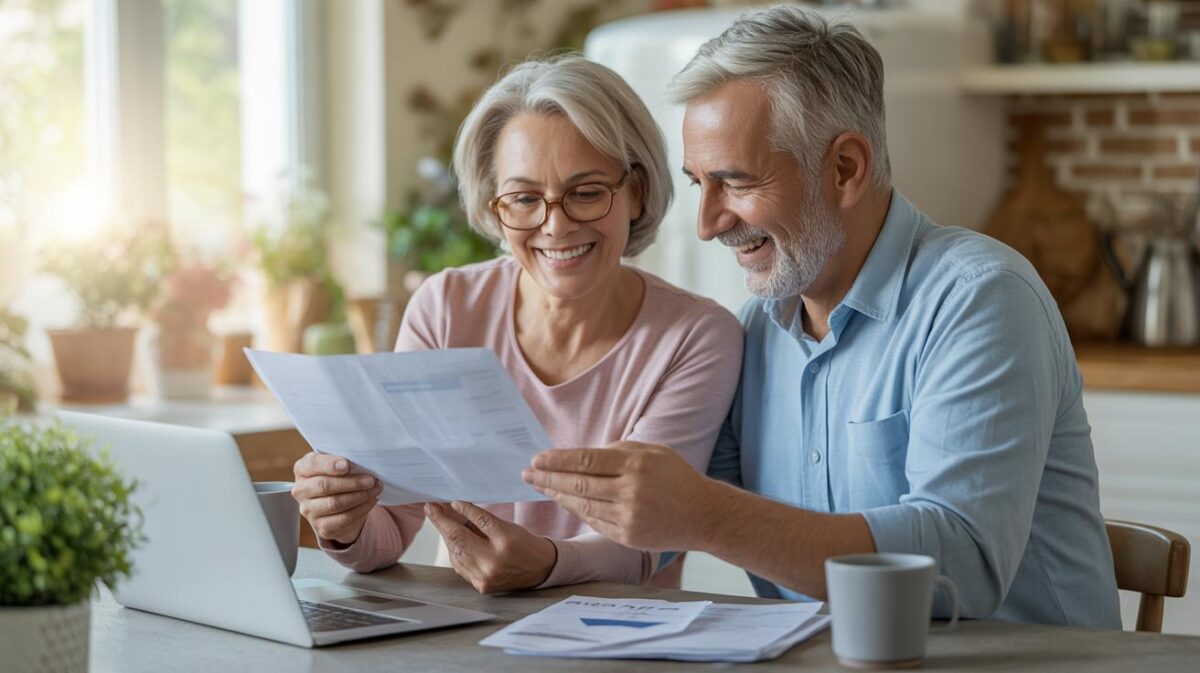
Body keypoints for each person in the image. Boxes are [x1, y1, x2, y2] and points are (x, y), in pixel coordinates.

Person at [523, 6, 1122, 628]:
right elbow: (660, 525)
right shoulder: (755, 330)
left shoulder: (980, 298)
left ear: (846, 169)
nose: (708, 223)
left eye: (736, 181)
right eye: (699, 183)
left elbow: (962, 566)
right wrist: (542, 558)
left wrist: (708, 514)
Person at [289, 54, 743, 593]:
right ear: (494, 203)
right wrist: (343, 524)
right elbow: (390, 528)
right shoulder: (446, 308)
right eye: (525, 198)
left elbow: (648, 543)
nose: (555, 225)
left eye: (586, 192)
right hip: (460, 638)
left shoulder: (696, 337)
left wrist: (549, 564)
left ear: (637, 192)